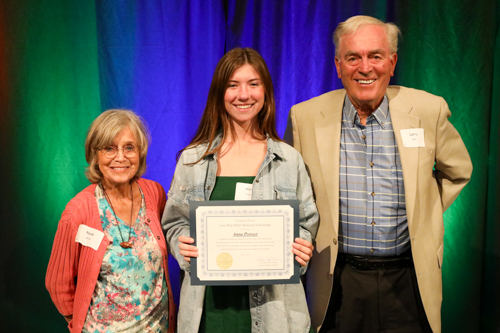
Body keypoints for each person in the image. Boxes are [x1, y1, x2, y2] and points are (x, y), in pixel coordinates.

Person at [285, 15, 473, 333]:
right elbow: (290, 190)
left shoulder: (428, 110)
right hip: (336, 280)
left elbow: (458, 171)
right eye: (353, 57)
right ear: (338, 65)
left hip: (409, 279)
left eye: (375, 56)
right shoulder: (305, 117)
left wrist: (423, 213)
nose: (365, 67)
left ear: (392, 61)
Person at [162, 47, 319, 333]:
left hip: (275, 314)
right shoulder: (193, 159)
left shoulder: (288, 159)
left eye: (253, 84)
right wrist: (181, 242)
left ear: (266, 91)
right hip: (208, 312)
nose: (243, 95)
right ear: (219, 93)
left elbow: (306, 223)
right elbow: (174, 222)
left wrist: (302, 245)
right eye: (233, 85)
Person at [46, 110, 176, 333]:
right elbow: (58, 283)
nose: (120, 157)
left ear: (140, 152)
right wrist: (79, 322)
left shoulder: (154, 193)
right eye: (109, 148)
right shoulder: (79, 210)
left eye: (129, 147)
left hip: (159, 327)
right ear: (94, 154)